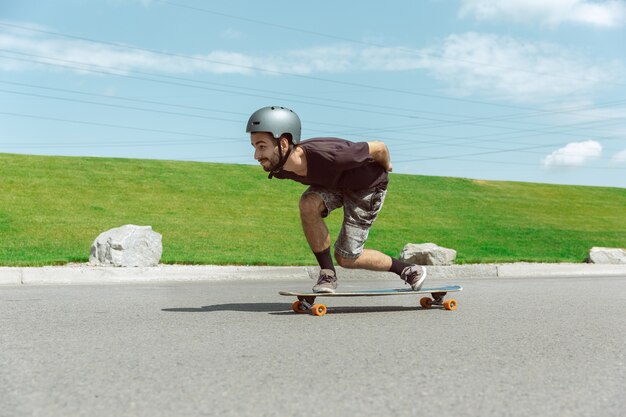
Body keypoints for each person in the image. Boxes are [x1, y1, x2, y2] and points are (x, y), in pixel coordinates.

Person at [247, 105, 426, 293]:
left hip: (367, 187)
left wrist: (387, 165)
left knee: (346, 258)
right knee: (308, 204)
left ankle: (407, 270)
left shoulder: (333, 155)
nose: (256, 156)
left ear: (283, 144)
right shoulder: (279, 169)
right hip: (335, 184)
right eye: (254, 147)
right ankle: (327, 274)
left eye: (262, 146)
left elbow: (379, 148)